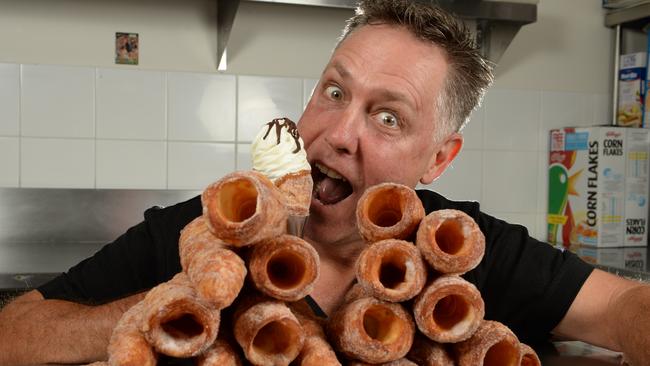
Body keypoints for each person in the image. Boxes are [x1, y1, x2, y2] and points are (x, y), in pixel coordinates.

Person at [2, 1, 650, 365]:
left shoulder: (462, 250)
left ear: (439, 160)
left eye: (388, 116)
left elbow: (625, 311)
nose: (338, 133)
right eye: (334, 91)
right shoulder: (199, 238)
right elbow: (13, 333)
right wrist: (163, 308)